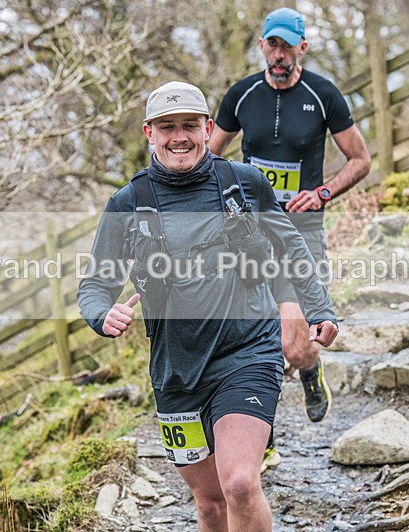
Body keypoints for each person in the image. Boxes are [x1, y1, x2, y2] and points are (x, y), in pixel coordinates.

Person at [78, 81, 338, 531]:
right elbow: (95, 285)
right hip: (176, 370)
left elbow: (291, 245)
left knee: (239, 483)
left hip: (247, 351)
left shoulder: (244, 183)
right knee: (210, 502)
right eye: (167, 127)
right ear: (149, 132)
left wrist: (319, 308)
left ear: (208, 127)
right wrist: (103, 315)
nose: (179, 136)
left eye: (189, 126)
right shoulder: (127, 203)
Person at [207, 7, 371, 463]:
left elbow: (361, 160)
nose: (279, 55)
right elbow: (207, 157)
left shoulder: (323, 95)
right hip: (249, 231)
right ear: (261, 45)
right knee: (249, 332)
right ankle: (264, 435)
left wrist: (321, 192)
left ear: (302, 47)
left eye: (287, 46)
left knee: (293, 343)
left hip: (301, 228)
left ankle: (310, 369)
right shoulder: (241, 96)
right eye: (271, 45)